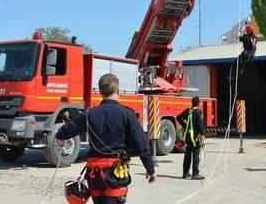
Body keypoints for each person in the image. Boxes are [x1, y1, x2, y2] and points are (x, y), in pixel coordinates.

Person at [56, 74, 156, 203]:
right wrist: (150, 169)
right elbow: (142, 144)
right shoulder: (127, 114)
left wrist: (61, 137)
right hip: (115, 174)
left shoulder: (89, 114)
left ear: (100, 92)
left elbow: (68, 129)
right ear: (118, 90)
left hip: (94, 175)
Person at [176, 96, 206, 180]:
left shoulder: (188, 111)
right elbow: (200, 125)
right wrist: (203, 134)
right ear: (198, 103)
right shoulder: (198, 112)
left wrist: (186, 126)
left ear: (191, 102)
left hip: (188, 137)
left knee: (187, 155)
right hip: (195, 137)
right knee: (196, 155)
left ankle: (185, 173)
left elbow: (178, 118)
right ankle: (195, 174)